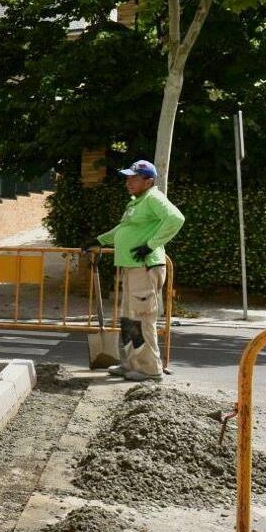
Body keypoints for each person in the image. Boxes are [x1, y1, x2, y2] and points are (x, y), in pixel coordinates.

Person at [89, 159, 184, 381]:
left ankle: (150, 370)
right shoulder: (137, 202)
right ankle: (131, 364)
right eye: (128, 177)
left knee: (142, 320)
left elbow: (176, 218)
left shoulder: (153, 198)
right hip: (133, 267)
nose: (128, 181)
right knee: (129, 319)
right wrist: (99, 240)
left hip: (145, 266)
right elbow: (124, 229)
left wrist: (150, 245)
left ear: (149, 181)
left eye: (134, 178)